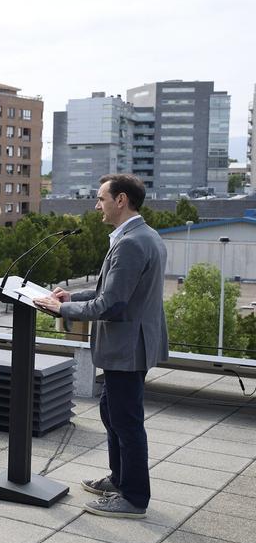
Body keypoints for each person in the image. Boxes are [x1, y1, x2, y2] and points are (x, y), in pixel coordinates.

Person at [34, 173, 168, 519]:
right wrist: (71, 295)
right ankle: (119, 480)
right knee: (113, 413)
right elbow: (112, 292)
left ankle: (134, 498)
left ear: (121, 200)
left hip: (127, 348)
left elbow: (111, 305)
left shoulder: (131, 243)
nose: (97, 206)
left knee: (126, 421)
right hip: (130, 346)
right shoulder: (143, 235)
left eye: (101, 199)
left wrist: (62, 309)